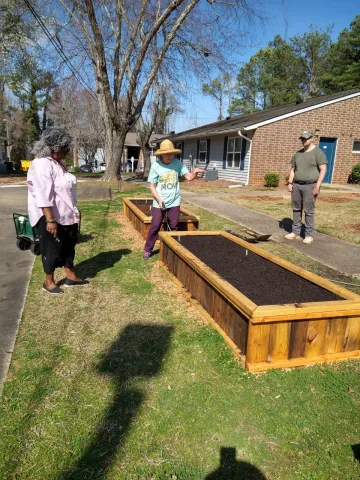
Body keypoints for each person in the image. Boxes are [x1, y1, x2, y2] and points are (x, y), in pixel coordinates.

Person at [27, 128, 89, 294]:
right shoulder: (40, 164)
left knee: (68, 245)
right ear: (54, 148)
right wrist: (50, 219)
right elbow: (41, 194)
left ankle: (71, 276)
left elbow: (65, 190)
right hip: (50, 216)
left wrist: (74, 210)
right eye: (65, 148)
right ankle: (49, 282)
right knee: (52, 248)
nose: (67, 151)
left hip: (66, 214)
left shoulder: (58, 163)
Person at [143, 139, 205, 259]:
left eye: (171, 153)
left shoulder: (177, 164)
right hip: (159, 201)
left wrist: (194, 173)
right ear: (161, 154)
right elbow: (152, 186)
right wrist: (159, 200)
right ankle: (147, 250)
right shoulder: (156, 166)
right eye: (166, 154)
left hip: (174, 201)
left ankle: (172, 249)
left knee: (174, 226)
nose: (169, 156)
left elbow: (188, 177)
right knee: (155, 226)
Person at [285, 131, 327, 244]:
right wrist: (290, 183)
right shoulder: (298, 154)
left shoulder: (318, 153)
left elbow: (323, 169)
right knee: (296, 209)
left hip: (310, 185)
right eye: (302, 139)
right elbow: (293, 169)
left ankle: (308, 235)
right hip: (297, 185)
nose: (303, 141)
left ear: (312, 138)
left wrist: (317, 186)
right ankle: (295, 232)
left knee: (309, 211)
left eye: (305, 138)